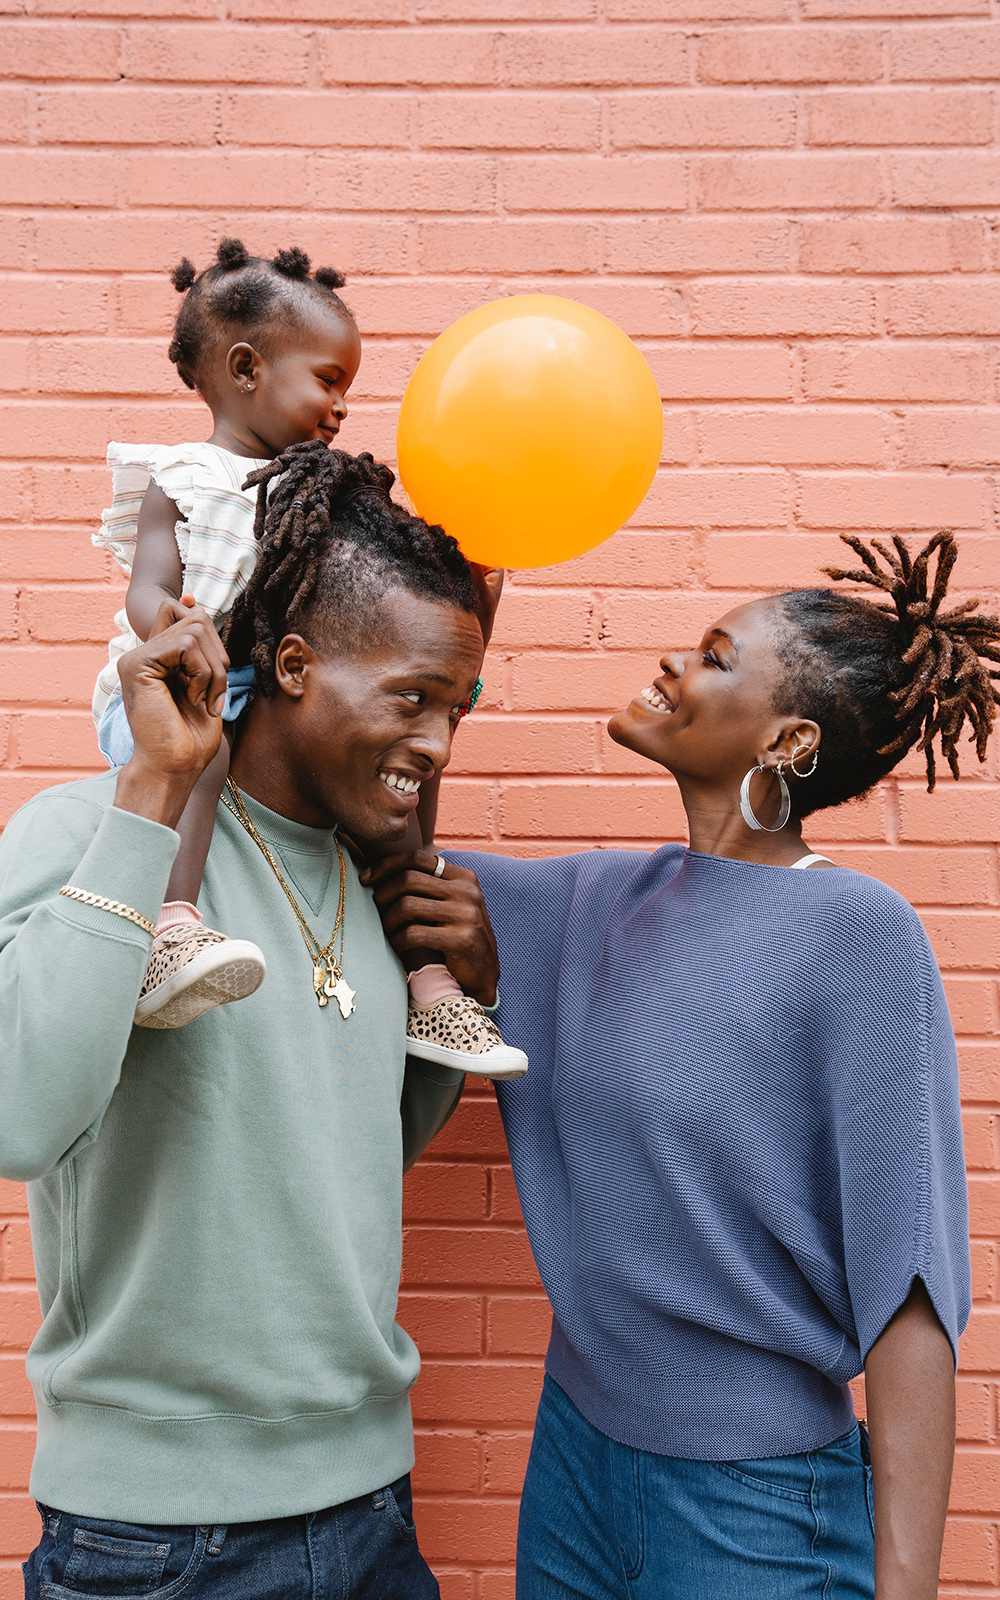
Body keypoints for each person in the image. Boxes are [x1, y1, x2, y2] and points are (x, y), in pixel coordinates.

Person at [370, 531, 995, 1599]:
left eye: (713, 655)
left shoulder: (856, 932)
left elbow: (909, 1292)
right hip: (573, 1458)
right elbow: (393, 862)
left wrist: (909, 1591)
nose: (672, 664)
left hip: (752, 1508)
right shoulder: (592, 900)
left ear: (786, 739)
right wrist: (464, 654)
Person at [2, 448, 505, 1599]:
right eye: (411, 697)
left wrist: (463, 980)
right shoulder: (87, 829)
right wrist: (146, 799)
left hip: (373, 1508)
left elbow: (349, 1158)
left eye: (457, 708)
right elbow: (14, 1118)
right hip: (158, 1540)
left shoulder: (373, 883)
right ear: (290, 665)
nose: (436, 743)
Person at [91, 240, 525, 1078]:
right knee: (204, 749)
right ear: (247, 367)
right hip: (179, 682)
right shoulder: (181, 475)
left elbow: (371, 623)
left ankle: (430, 985)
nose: (340, 407)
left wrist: (472, 603)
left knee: (393, 800)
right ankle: (172, 922)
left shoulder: (317, 496)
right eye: (328, 380)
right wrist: (180, 629)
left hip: (251, 683)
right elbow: (149, 589)